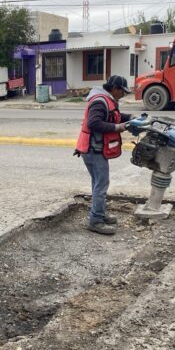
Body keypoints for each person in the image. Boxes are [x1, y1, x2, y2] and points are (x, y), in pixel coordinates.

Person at [75, 75, 132, 235]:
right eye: (123, 91)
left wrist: (130, 119)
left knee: (98, 183)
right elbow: (93, 123)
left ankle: (99, 213)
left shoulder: (107, 100)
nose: (124, 95)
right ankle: (96, 221)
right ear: (115, 88)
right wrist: (117, 127)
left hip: (94, 149)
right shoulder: (100, 101)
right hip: (94, 150)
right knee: (101, 184)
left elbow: (114, 116)